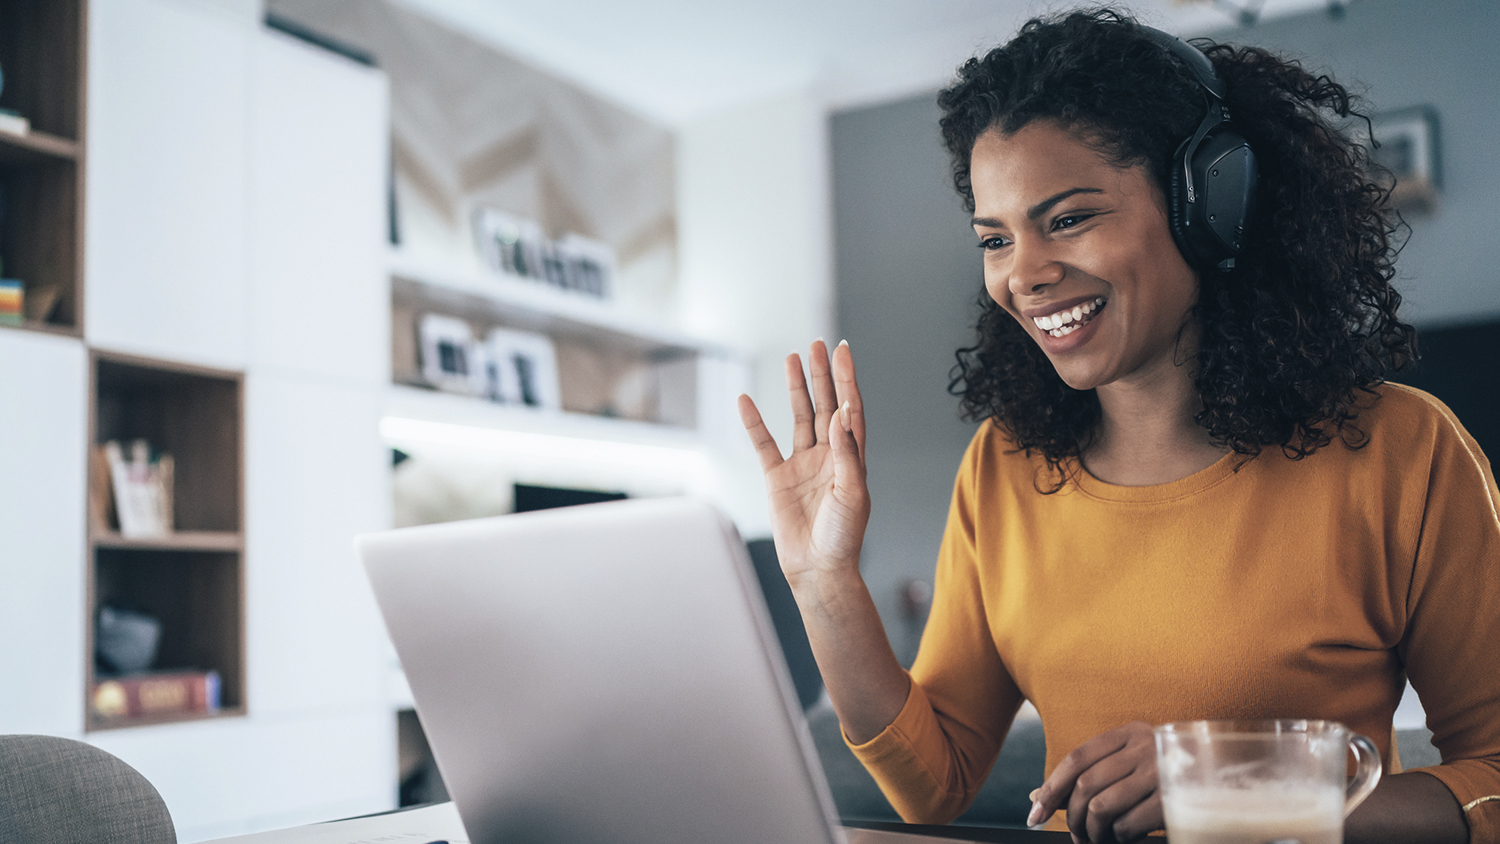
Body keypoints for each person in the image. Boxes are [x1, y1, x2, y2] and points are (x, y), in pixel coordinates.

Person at [737, 8, 1500, 844]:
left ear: (1209, 205)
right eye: (996, 239)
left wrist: (1244, 796)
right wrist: (824, 583)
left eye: (1067, 219)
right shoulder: (1003, 467)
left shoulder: (1404, 452)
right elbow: (934, 785)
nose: (1023, 275)